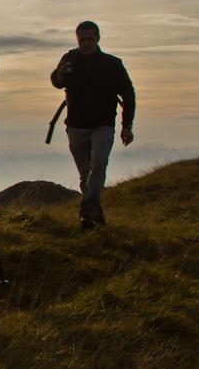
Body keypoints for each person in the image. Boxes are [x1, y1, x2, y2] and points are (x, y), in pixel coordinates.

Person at [50, 20, 135, 229]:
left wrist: (126, 126)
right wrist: (59, 74)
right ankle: (92, 214)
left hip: (102, 125)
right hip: (76, 126)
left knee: (98, 162)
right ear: (77, 39)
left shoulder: (112, 64)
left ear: (98, 39)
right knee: (86, 173)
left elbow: (128, 94)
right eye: (82, 40)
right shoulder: (70, 58)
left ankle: (87, 209)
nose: (86, 43)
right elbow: (56, 81)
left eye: (89, 39)